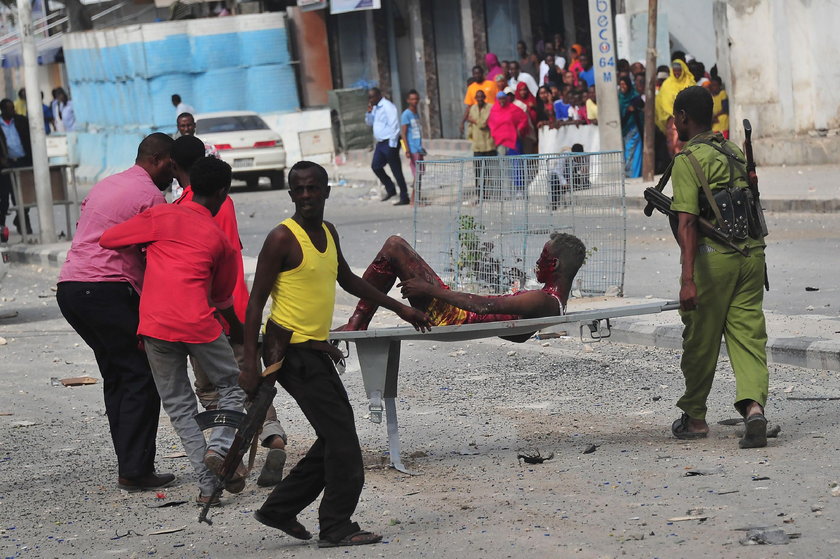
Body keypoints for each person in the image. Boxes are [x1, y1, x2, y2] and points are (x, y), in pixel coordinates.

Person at [240, 161, 430, 547]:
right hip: (290, 354)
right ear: (291, 195)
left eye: (313, 188)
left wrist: (400, 307)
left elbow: (347, 278)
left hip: (316, 353)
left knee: (333, 438)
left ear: (326, 191)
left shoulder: (328, 232)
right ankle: (336, 526)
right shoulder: (282, 238)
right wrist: (248, 363)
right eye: (299, 190)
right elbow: (255, 302)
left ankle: (279, 509)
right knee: (343, 442)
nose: (306, 196)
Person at [99, 156, 250, 504]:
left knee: (179, 406)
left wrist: (146, 245)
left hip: (155, 324)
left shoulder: (159, 217)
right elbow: (222, 298)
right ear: (224, 192)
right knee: (232, 387)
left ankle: (208, 485)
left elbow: (108, 239)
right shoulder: (219, 240)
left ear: (190, 187)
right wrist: (239, 330)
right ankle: (222, 447)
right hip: (199, 323)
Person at [56, 133, 175, 493]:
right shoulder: (150, 196)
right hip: (104, 289)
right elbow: (155, 255)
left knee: (119, 374)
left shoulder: (108, 184)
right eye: (170, 164)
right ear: (157, 159)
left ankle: (131, 465)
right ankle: (135, 470)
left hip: (71, 289)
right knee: (140, 373)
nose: (171, 172)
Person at [171, 136, 289, 488]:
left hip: (206, 315)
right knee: (250, 382)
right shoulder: (227, 202)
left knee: (213, 391)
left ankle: (229, 460)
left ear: (177, 169)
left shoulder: (183, 208)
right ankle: (273, 438)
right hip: (240, 307)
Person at [667, 86, 769, 449]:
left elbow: (687, 224)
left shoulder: (687, 160)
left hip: (716, 260)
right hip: (752, 255)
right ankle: (754, 408)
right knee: (748, 336)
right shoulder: (732, 151)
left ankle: (694, 418)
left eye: (673, 118)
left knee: (700, 338)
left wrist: (688, 279)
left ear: (682, 117)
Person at [341, 232, 586, 334]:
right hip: (457, 313)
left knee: (394, 246)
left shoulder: (543, 300)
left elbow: (482, 306)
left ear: (553, 265)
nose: (537, 262)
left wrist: (429, 290)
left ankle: (358, 321)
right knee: (395, 246)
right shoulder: (553, 302)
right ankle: (358, 321)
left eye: (542, 258)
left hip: (453, 316)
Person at [365, 87, 410, 206]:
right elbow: (369, 123)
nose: (370, 100)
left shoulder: (387, 106)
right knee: (376, 166)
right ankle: (391, 189)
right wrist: (369, 112)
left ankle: (404, 196)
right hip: (380, 143)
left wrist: (392, 145)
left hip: (390, 142)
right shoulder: (374, 108)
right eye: (368, 97)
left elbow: (395, 126)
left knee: (396, 170)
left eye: (371, 97)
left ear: (378, 95)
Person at [0, 98, 33, 239]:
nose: (12, 110)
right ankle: (2, 228)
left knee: (25, 197)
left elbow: (30, 139)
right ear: (3, 110)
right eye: (9, 108)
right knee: (4, 199)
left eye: (13, 107)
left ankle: (22, 222)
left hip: (22, 162)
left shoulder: (21, 121)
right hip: (5, 166)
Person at [655, 59, 694, 156]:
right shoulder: (667, 84)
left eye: (679, 70)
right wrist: (677, 114)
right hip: (673, 119)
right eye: (674, 70)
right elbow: (664, 102)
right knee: (674, 144)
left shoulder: (690, 82)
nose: (677, 73)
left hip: (689, 119)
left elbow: (695, 99)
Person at [460, 66, 499, 136]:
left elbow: (499, 100)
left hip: (490, 116)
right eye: (475, 74)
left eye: (478, 73)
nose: (477, 75)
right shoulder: (471, 88)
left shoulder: (492, 85)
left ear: (482, 73)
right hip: (476, 119)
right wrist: (463, 122)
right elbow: (469, 106)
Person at [619, 75, 643, 178]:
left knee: (632, 151)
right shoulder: (618, 97)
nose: (622, 86)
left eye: (624, 84)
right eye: (620, 84)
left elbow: (642, 105)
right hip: (623, 129)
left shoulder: (635, 96)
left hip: (633, 129)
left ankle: (632, 174)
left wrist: (634, 108)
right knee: (628, 151)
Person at [400, 89, 425, 183]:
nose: (415, 101)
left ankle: (416, 196)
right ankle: (414, 197)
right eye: (412, 99)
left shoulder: (416, 114)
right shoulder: (406, 115)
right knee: (417, 174)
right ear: (408, 100)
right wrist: (406, 150)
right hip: (412, 149)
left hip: (418, 148)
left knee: (420, 174)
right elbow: (403, 133)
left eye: (416, 99)